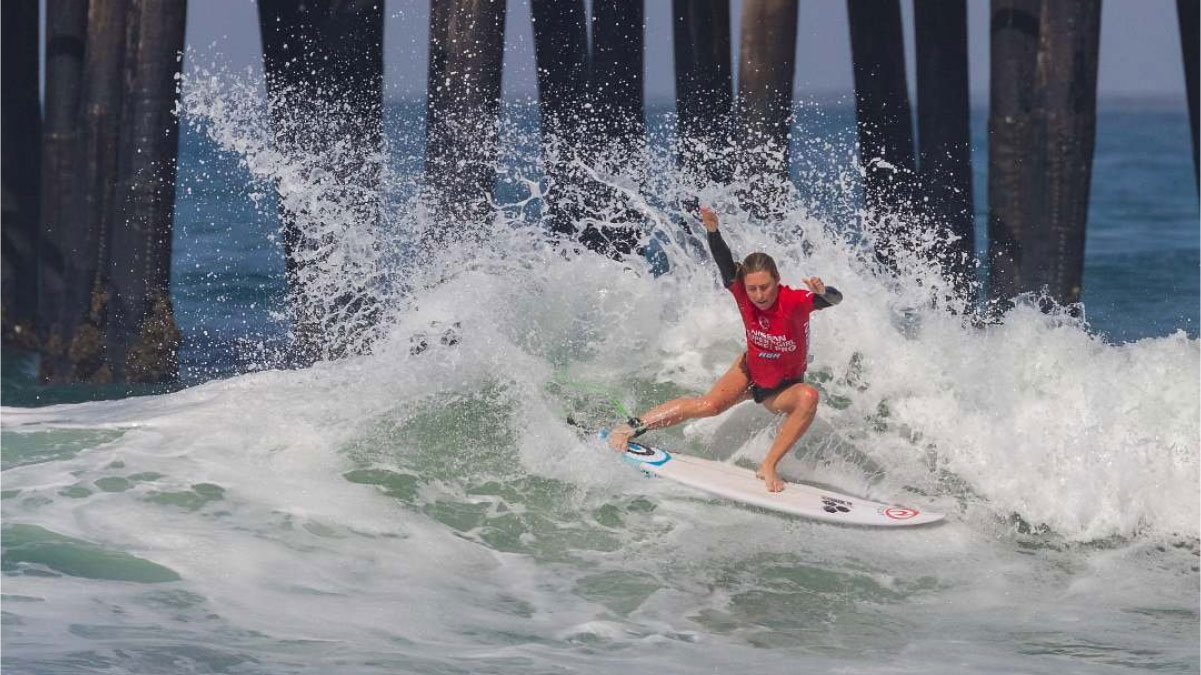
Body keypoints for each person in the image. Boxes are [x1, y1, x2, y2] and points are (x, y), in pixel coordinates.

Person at [608, 206, 843, 492]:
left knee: (808, 397)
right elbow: (724, 262)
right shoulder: (742, 292)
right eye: (753, 288)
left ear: (777, 281)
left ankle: (768, 466)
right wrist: (712, 231)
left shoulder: (794, 301)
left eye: (765, 287)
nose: (758, 295)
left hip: (782, 387)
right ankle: (630, 427)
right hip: (749, 370)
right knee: (707, 406)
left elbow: (833, 299)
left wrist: (823, 292)